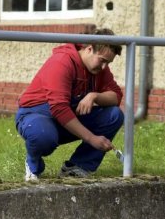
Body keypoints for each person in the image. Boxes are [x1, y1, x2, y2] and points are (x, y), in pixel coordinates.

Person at [15, 29, 125, 181]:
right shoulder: (62, 62)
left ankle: (76, 168)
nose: (105, 67)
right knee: (43, 135)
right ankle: (33, 164)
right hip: (37, 115)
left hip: (68, 118)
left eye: (109, 62)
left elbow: (116, 96)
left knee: (114, 115)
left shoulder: (100, 68)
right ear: (89, 49)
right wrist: (92, 139)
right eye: (102, 60)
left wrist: (95, 96)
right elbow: (59, 108)